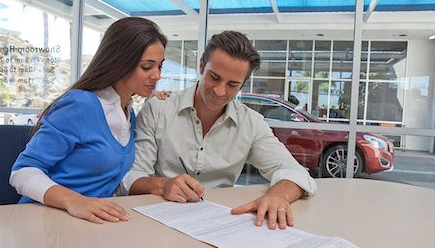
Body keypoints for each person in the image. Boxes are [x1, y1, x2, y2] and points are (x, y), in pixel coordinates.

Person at [119, 31, 317, 230]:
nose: (220, 91)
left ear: (242, 85)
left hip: (220, 226)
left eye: (232, 84)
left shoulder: (251, 123)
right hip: (159, 222)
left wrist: (278, 195)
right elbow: (131, 178)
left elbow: (296, 172)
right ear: (201, 66)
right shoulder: (158, 109)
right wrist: (163, 185)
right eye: (214, 77)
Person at [9, 17, 167, 224]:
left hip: (89, 225)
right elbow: (22, 172)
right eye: (147, 67)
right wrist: (75, 201)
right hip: (44, 222)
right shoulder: (81, 104)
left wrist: (159, 185)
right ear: (120, 62)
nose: (157, 75)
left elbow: (112, 178)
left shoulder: (128, 112)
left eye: (160, 66)